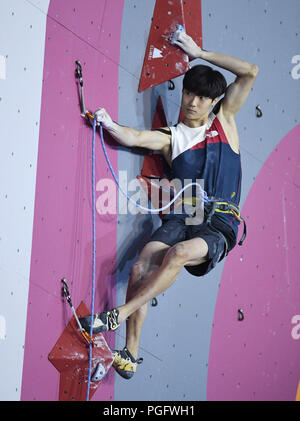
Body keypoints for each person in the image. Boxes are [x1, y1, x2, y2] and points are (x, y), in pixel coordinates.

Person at [80, 31, 259, 379]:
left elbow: (250, 71)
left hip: (220, 223)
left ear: (213, 101)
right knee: (138, 269)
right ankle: (130, 354)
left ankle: (118, 312)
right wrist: (107, 122)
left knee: (177, 255)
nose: (193, 102)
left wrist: (198, 52)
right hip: (184, 215)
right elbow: (132, 136)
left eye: (203, 97)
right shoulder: (171, 137)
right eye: (190, 93)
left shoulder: (224, 122)